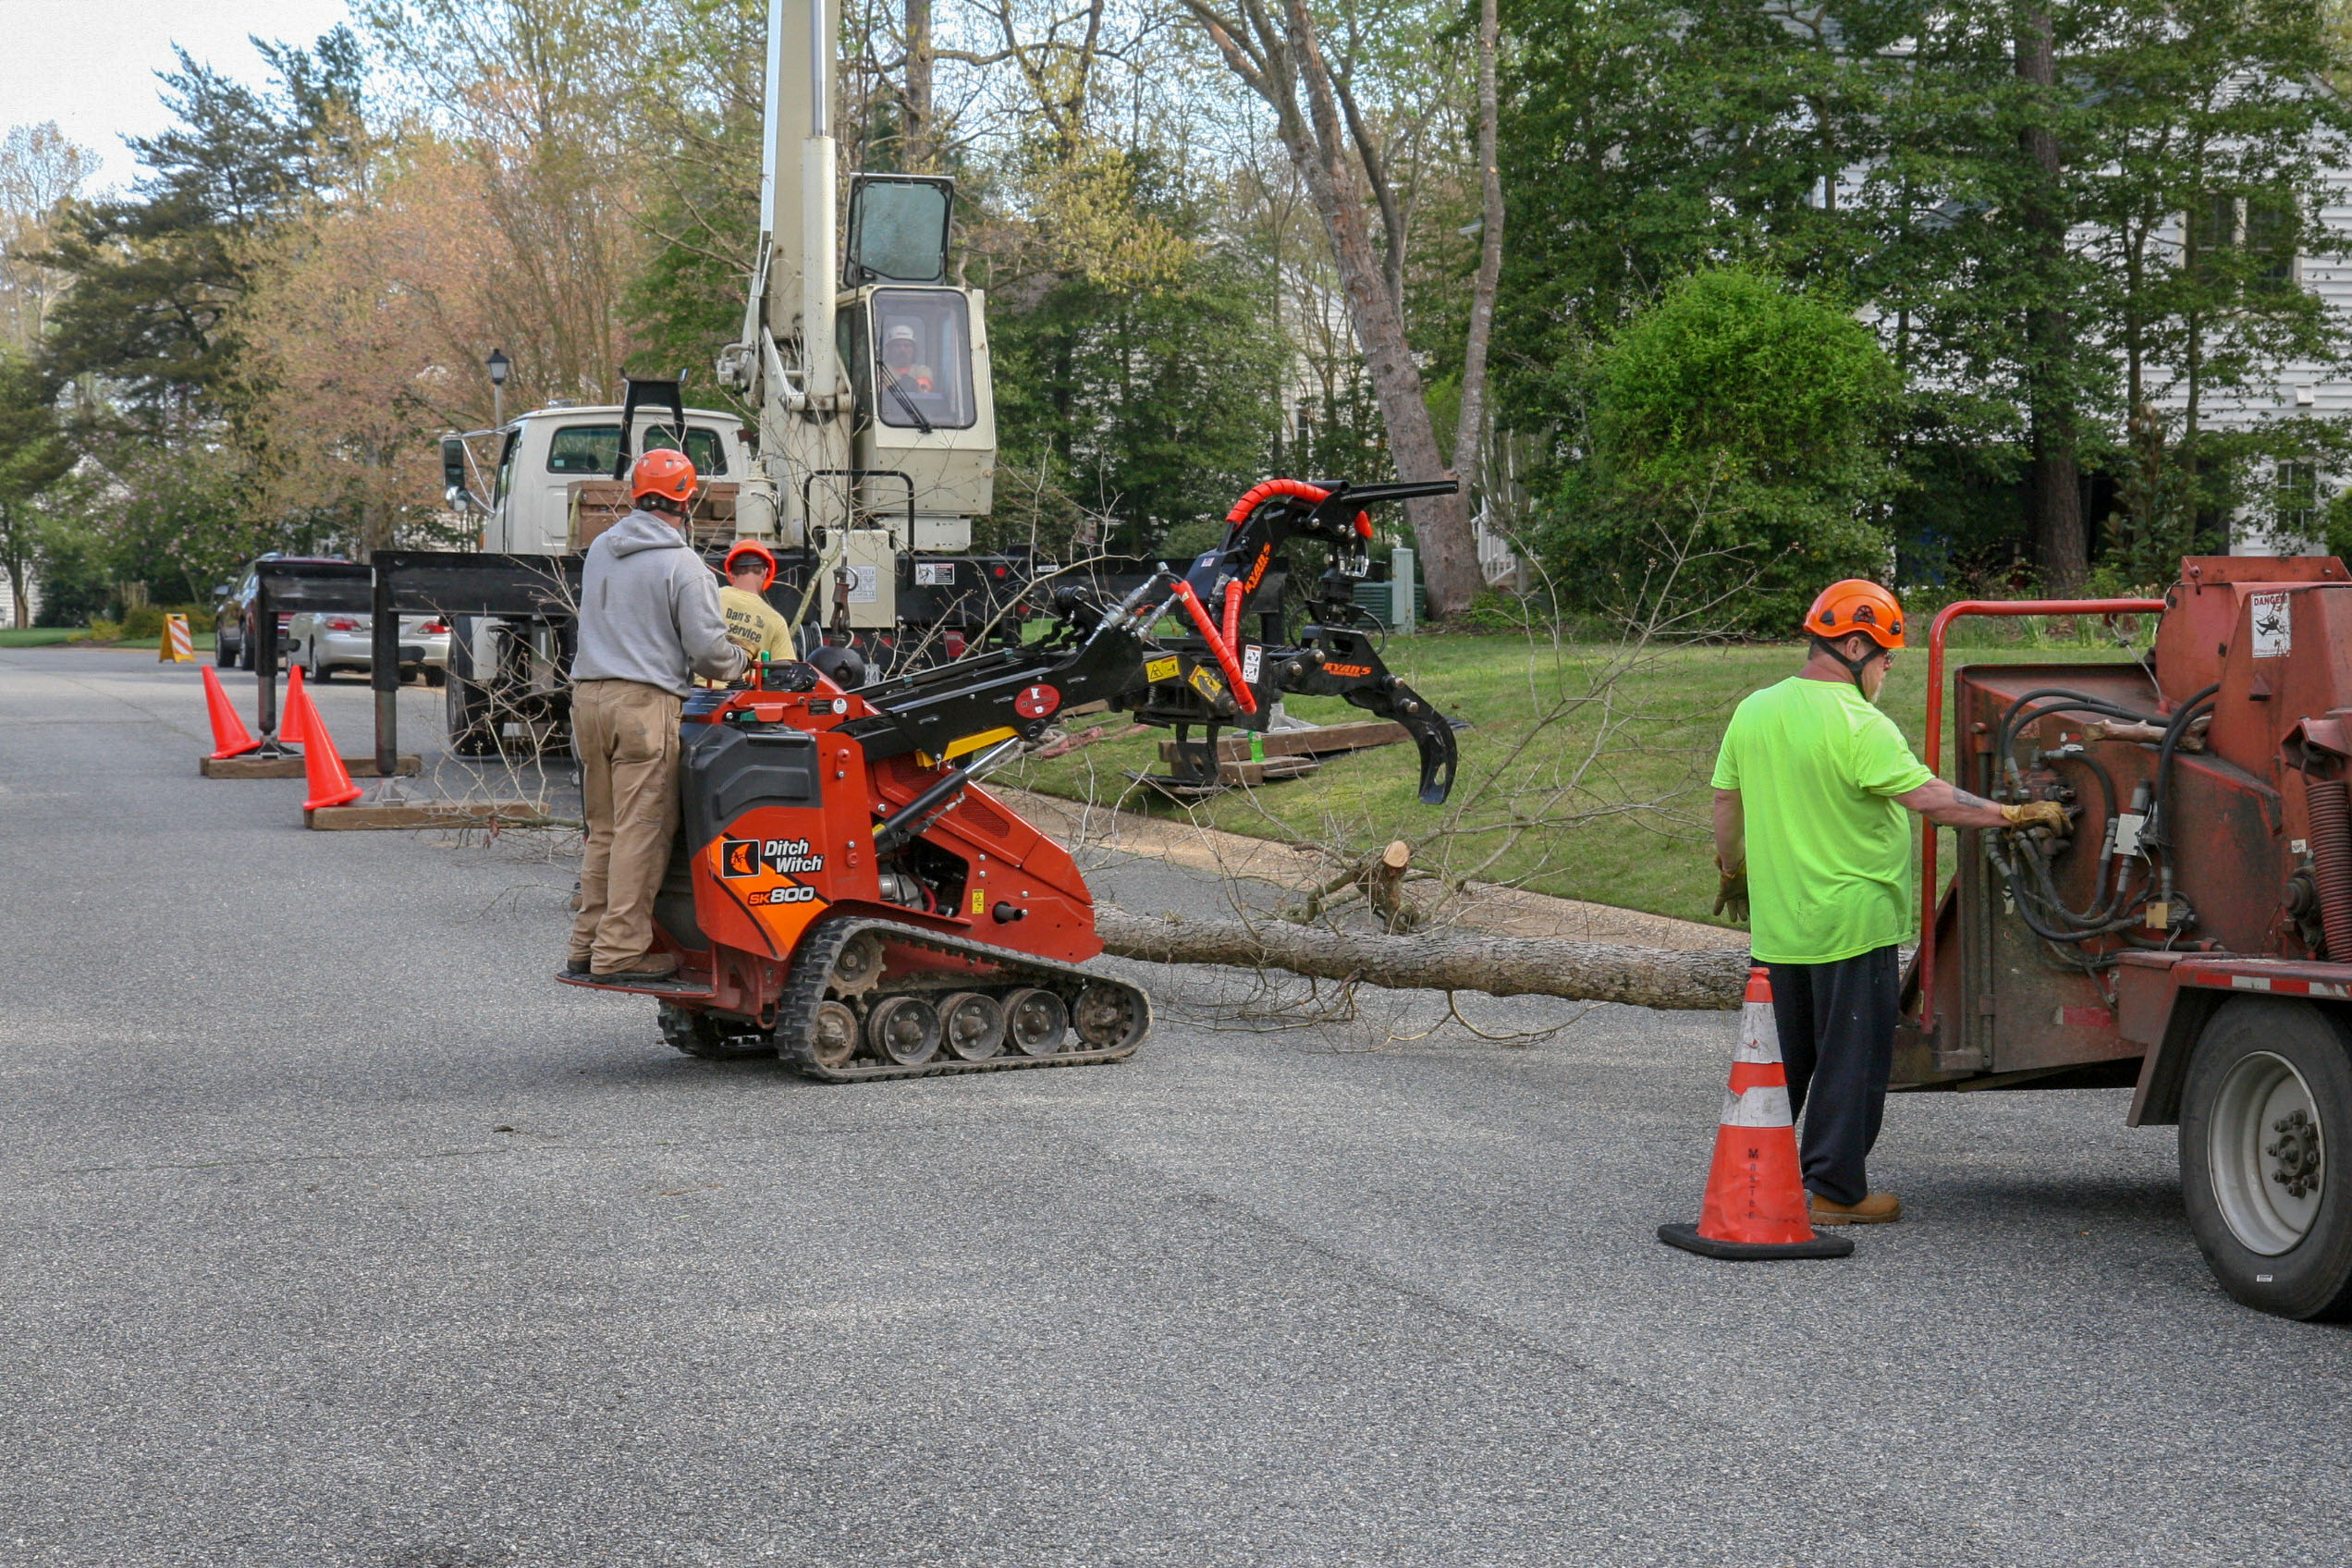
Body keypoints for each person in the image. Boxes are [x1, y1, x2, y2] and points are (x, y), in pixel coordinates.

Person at [1709, 581, 2065, 1225]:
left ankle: (1756, 1173)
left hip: (1778, 928)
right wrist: (2012, 812)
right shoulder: (1859, 725)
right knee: (1851, 1062)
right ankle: (1838, 1194)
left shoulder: (1753, 710)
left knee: (1778, 1060)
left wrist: (1733, 870)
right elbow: (1930, 798)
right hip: (1853, 924)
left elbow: (1726, 802)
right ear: (1850, 646)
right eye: (1883, 656)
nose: (1888, 669)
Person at [566, 448, 749, 983]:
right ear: (687, 500)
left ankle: (587, 944)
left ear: (636, 493)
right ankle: (620, 952)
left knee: (603, 828)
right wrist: (741, 661)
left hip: (588, 697)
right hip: (643, 706)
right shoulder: (683, 565)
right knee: (640, 830)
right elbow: (711, 656)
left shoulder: (602, 547)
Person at [715, 540, 799, 675]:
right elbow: (786, 672)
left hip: (699, 691)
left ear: (730, 573)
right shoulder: (775, 621)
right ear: (765, 572)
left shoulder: (710, 599)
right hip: (748, 694)